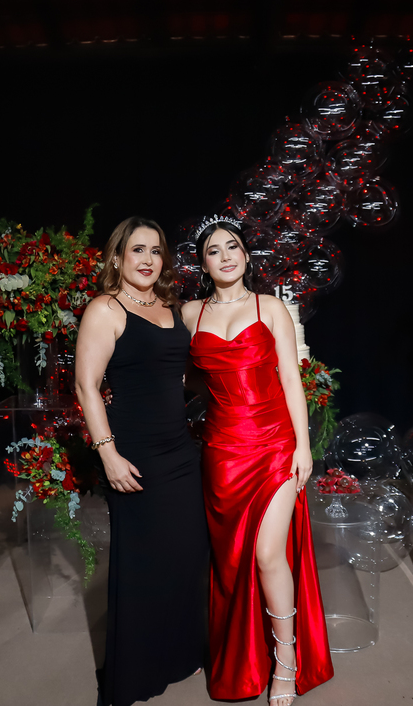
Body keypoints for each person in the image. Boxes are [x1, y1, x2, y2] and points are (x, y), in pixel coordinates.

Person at [181, 219, 334, 706]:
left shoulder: (270, 307)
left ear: (246, 256)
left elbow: (291, 379)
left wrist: (303, 447)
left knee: (269, 554)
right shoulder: (189, 314)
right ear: (202, 263)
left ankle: (286, 664)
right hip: (222, 453)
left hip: (274, 446)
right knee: (231, 562)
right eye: (213, 250)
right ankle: (244, 655)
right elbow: (185, 379)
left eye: (233, 246)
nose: (225, 256)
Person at [75, 217, 207, 706]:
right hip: (134, 450)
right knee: (143, 562)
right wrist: (108, 453)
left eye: (155, 250)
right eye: (137, 250)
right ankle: (138, 671)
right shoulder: (105, 309)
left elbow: (184, 377)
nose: (148, 259)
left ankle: (180, 653)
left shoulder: (170, 307)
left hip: (180, 449)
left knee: (187, 554)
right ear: (118, 257)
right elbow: (86, 386)